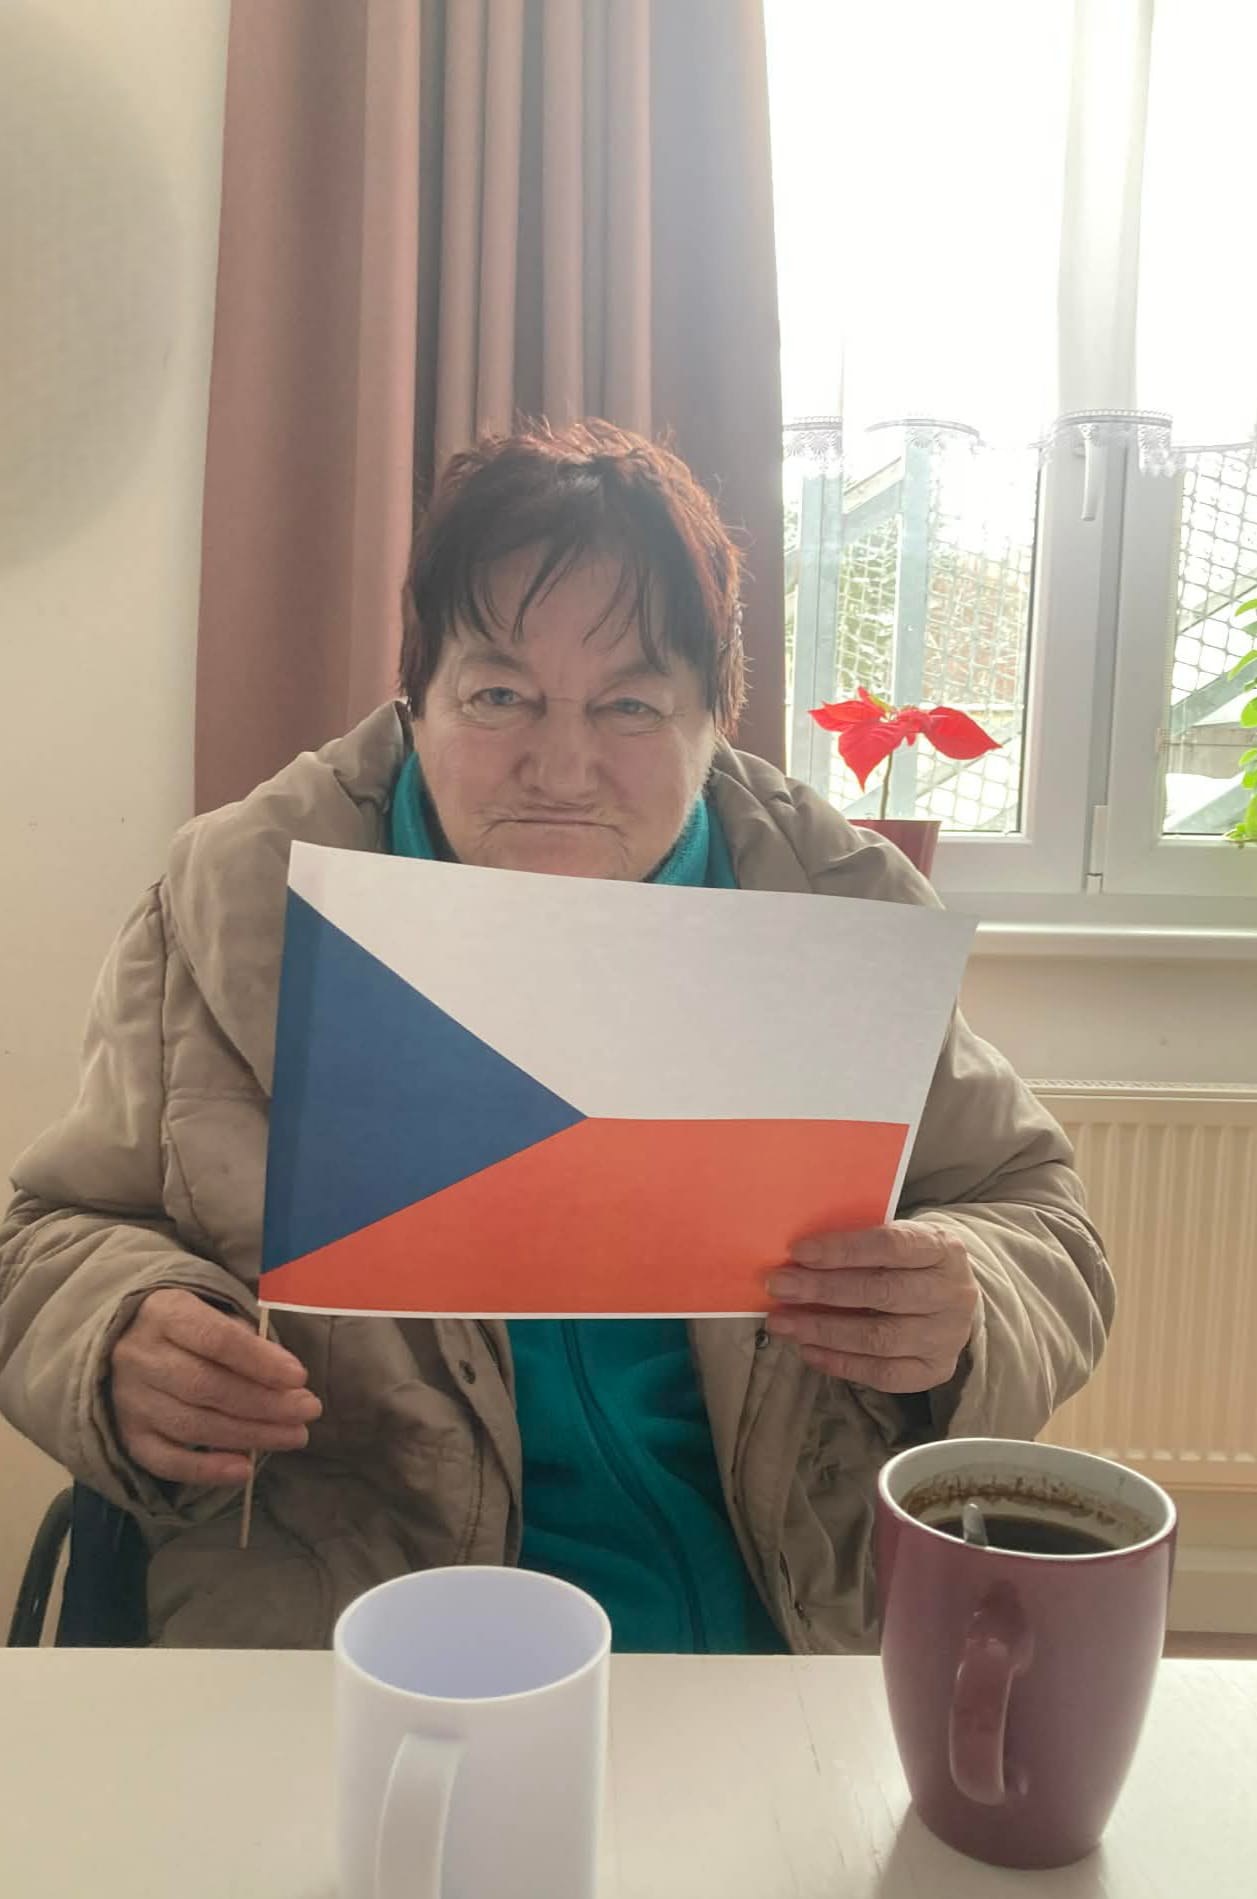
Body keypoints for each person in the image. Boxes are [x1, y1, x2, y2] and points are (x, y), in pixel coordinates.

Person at [0, 422, 1114, 1650]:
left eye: (631, 704)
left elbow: (1040, 1214)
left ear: (715, 721)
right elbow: (46, 1235)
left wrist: (968, 1294)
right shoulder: (237, 905)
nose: (562, 767)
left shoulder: (833, 909)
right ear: (415, 701)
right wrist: (118, 1330)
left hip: (792, 1619)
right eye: (500, 697)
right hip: (354, 1625)